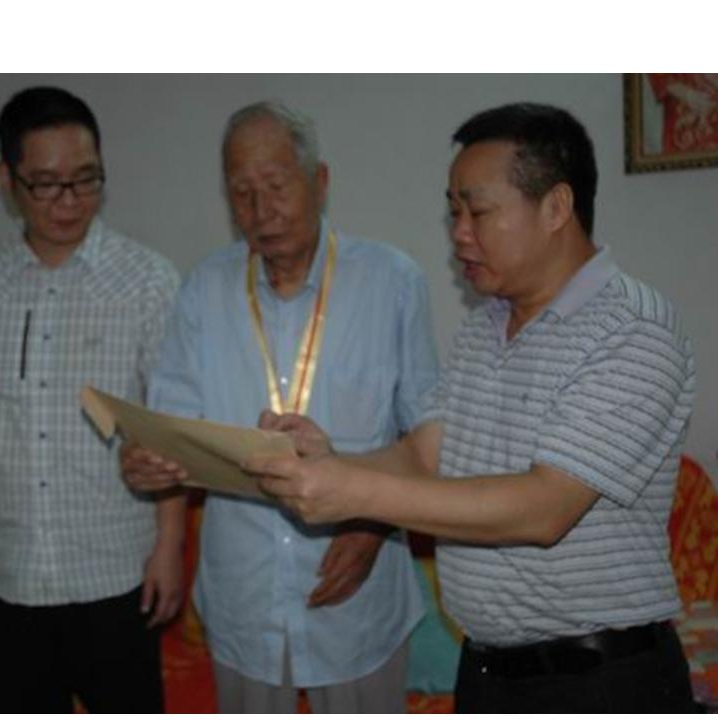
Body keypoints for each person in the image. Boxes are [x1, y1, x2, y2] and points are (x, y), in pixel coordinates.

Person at [245, 102, 698, 713]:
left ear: (556, 208)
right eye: (453, 211)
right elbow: (425, 453)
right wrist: (330, 460)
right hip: (488, 673)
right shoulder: (486, 326)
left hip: (599, 680)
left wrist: (352, 492)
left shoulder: (634, 329)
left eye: (477, 211)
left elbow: (544, 508)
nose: (458, 232)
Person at [123, 101, 441, 713]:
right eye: (242, 193)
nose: (260, 211)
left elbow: (429, 435)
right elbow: (172, 427)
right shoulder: (203, 291)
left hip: (355, 590)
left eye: (275, 186)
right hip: (244, 593)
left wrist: (372, 525)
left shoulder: (392, 282)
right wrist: (146, 461)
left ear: (319, 181)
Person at [0, 86, 182, 713]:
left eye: (86, 179)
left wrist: (170, 547)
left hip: (114, 571)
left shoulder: (149, 283)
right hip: (6, 572)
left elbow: (169, 426)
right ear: (7, 179)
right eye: (45, 184)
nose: (69, 201)